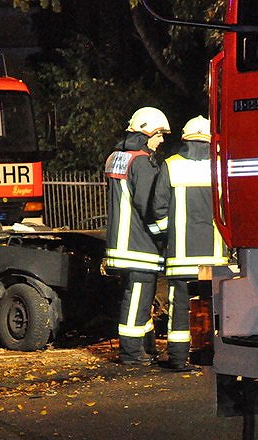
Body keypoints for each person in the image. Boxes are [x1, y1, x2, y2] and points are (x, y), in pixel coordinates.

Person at [150, 115, 229, 371]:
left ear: (184, 139)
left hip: (181, 257)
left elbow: (158, 209)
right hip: (215, 258)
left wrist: (166, 237)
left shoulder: (171, 165)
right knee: (217, 310)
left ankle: (178, 358)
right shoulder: (219, 168)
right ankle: (218, 356)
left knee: (179, 309)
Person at [104, 106, 170, 365]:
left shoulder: (116, 157)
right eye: (159, 134)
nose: (162, 140)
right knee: (137, 301)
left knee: (138, 300)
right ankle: (132, 353)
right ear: (146, 132)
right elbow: (149, 206)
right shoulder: (142, 162)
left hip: (120, 244)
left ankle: (146, 347)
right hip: (139, 245)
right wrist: (163, 236)